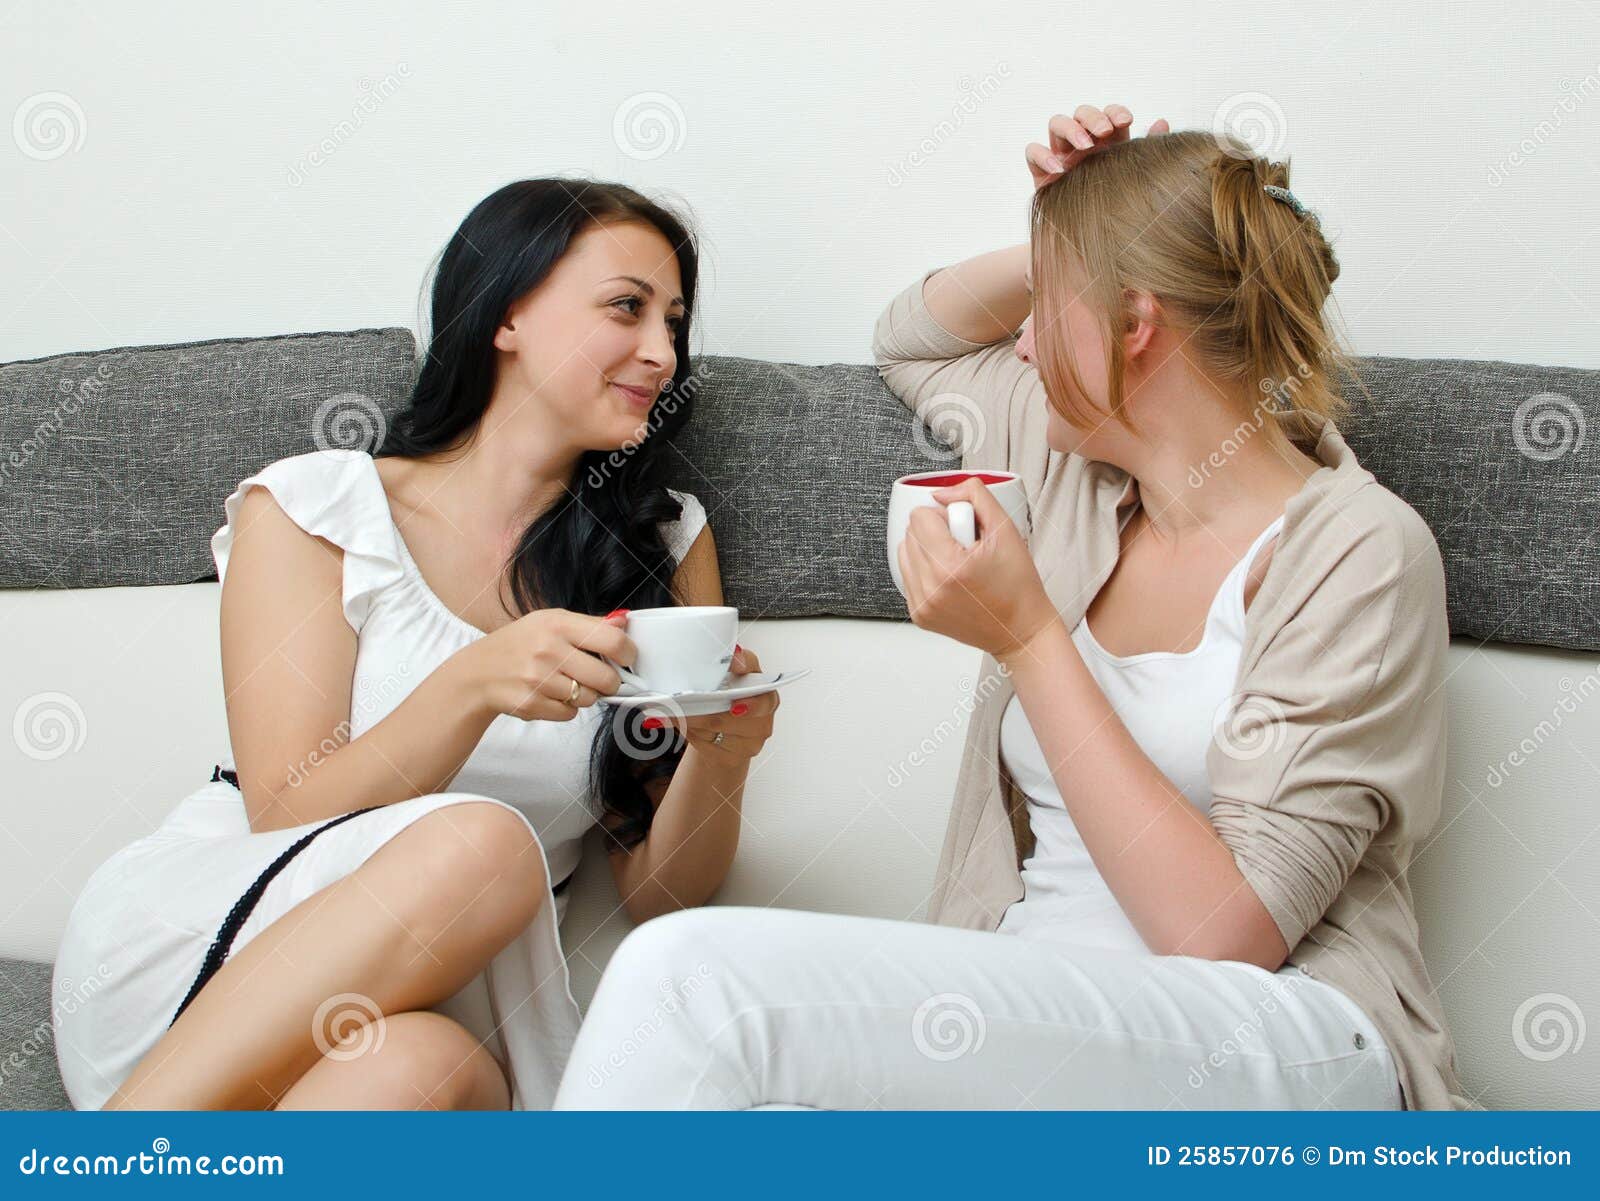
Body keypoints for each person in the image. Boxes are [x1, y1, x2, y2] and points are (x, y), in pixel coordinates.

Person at [552, 106, 1474, 1110]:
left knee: (690, 980)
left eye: (1050, 303)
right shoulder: (1076, 469)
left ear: (1134, 325)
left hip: (1279, 1031)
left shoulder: (1358, 551)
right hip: (1051, 1014)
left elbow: (1226, 934)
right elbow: (912, 342)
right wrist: (1063, 223)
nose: (1025, 343)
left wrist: (1033, 640)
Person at [52, 178, 780, 1111]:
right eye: (626, 308)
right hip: (221, 955)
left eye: (673, 322)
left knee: (423, 1071)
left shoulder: (663, 542)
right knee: (483, 840)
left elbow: (661, 898)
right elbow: (285, 810)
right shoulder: (321, 506)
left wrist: (722, 757)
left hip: (436, 1007)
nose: (662, 352)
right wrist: (470, 684)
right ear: (506, 315)